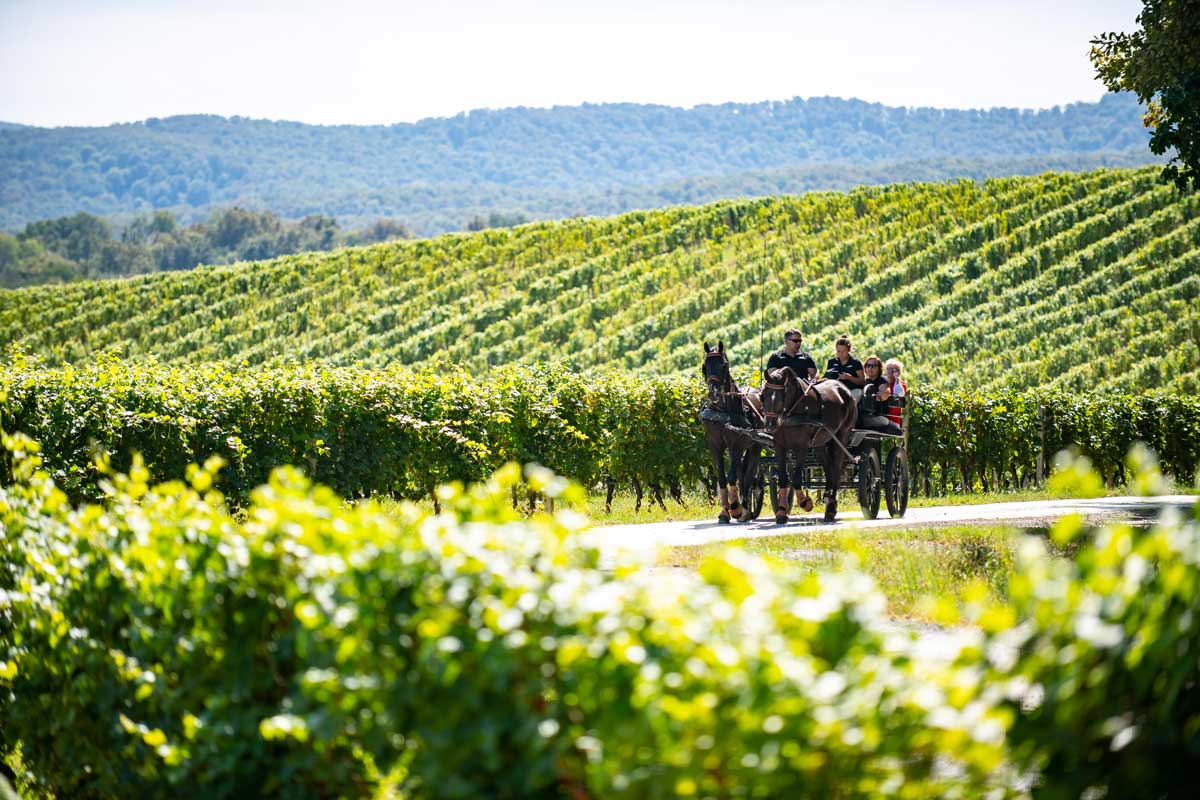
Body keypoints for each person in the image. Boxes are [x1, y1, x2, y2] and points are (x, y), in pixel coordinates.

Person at [858, 355, 898, 432]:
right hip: (866, 415)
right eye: (868, 365)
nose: (870, 368)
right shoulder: (865, 381)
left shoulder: (882, 380)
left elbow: (883, 396)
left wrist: (873, 397)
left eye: (874, 366)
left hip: (879, 416)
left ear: (879, 368)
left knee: (857, 421)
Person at [823, 334, 865, 401]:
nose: (841, 354)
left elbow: (862, 381)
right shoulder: (832, 362)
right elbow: (826, 377)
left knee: (853, 398)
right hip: (836, 391)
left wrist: (849, 377)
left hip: (852, 390)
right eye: (838, 351)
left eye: (843, 351)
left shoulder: (855, 362)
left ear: (848, 350)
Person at [882, 358, 908, 428]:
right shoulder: (882, 382)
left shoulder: (901, 384)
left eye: (893, 369)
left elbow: (900, 394)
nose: (889, 371)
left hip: (893, 420)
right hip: (881, 417)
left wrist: (897, 379)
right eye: (888, 368)